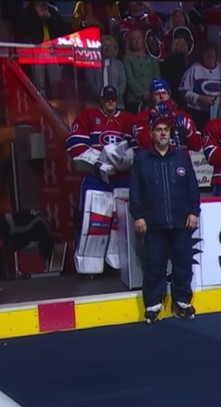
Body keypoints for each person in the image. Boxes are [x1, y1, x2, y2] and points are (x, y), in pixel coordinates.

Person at [130, 114, 200, 324]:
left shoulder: (182, 156)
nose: (163, 133)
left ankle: (182, 302)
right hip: (154, 224)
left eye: (166, 130)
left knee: (183, 263)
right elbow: (135, 191)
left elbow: (192, 187)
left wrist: (194, 212)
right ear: (151, 133)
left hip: (181, 223)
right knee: (154, 264)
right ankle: (152, 304)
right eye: (158, 129)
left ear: (171, 134)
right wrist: (139, 216)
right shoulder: (142, 159)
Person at [65, 85, 136, 274]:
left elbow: (139, 146)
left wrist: (126, 159)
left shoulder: (129, 120)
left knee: (120, 224)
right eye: (107, 99)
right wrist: (99, 161)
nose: (110, 102)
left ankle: (118, 265)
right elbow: (74, 143)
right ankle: (89, 266)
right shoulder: (88, 116)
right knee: (95, 219)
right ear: (101, 99)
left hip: (122, 179)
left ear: (118, 99)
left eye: (113, 99)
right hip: (97, 178)